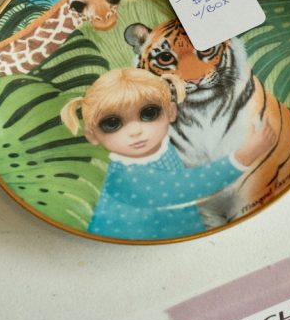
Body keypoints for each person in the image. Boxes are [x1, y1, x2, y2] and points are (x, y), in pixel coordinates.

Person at [60, 68, 275, 239]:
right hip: (133, 252)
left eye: (149, 113)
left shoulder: (162, 149)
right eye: (112, 124)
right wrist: (243, 157)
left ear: (171, 111)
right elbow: (184, 187)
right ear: (92, 135)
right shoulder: (125, 176)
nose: (135, 131)